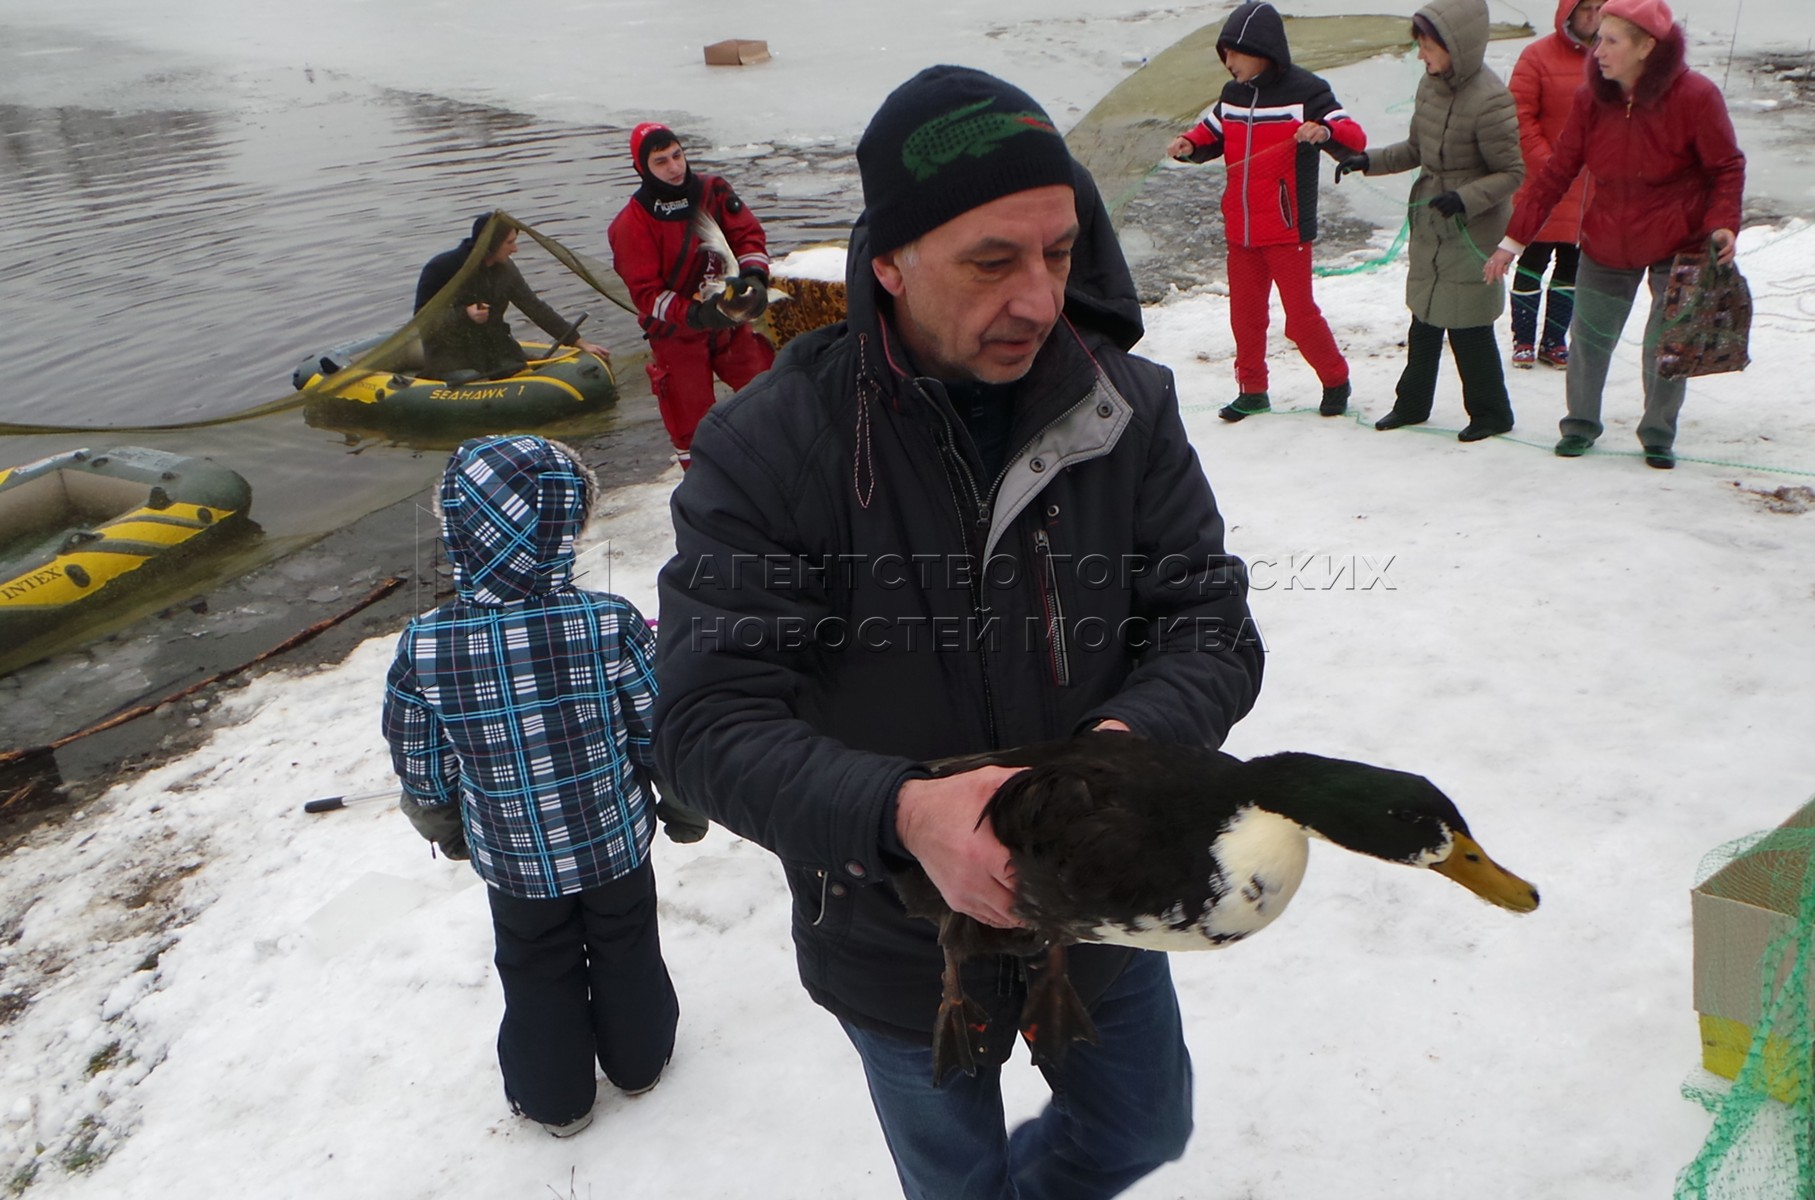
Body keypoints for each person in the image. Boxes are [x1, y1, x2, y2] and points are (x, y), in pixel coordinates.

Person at [653, 66, 1265, 1200]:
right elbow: (701, 721)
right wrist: (905, 814)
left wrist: (1124, 751)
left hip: (1104, 896)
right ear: (888, 261)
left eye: (1060, 254)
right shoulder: (767, 449)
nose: (1038, 299)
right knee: (953, 1181)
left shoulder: (1122, 410)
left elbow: (1210, 624)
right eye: (993, 261)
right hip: (893, 936)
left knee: (1143, 1129)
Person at [382, 434, 703, 1138]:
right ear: (564, 526)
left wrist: (442, 819)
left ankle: (555, 1099)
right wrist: (681, 802)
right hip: (613, 840)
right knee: (627, 946)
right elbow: (658, 726)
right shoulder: (606, 622)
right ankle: (639, 1061)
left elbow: (418, 752)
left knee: (534, 966)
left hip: (514, 856)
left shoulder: (426, 645)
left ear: (458, 528)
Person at [1485, 0, 1744, 470]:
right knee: (1589, 337)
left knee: (1665, 343)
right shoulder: (1592, 98)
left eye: (1611, 41)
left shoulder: (1696, 96)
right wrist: (1513, 242)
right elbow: (1557, 172)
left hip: (1677, 238)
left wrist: (1723, 222)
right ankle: (1580, 425)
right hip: (1608, 235)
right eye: (1598, 37)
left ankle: (1658, 433)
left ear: (1647, 46)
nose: (1596, 50)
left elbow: (1726, 166)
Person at [1166, 1, 1366, 422]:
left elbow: (1353, 135)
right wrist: (1190, 144)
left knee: (1299, 316)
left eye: (1235, 53)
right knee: (1246, 316)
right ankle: (1252, 390)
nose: (1229, 62)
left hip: (1287, 228)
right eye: (1225, 54)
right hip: (1241, 229)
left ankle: (1335, 379)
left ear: (1262, 50)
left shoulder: (1306, 91)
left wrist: (1324, 130)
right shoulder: (1232, 96)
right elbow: (1212, 132)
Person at [1335, 0, 1523, 441]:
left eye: (1427, 47)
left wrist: (1464, 198)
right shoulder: (1431, 84)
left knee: (1468, 326)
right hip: (1432, 222)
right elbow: (1416, 149)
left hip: (1470, 226)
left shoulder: (1491, 99)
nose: (1421, 55)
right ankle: (1413, 405)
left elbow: (1513, 172)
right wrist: (1366, 160)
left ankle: (1492, 414)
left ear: (1456, 46)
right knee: (1424, 320)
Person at [608, 124, 776, 468]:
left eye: (677, 155)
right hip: (676, 335)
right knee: (691, 428)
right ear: (642, 168)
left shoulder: (712, 190)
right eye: (661, 162)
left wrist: (755, 277)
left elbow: (747, 236)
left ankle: (779, 465)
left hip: (728, 323)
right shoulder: (631, 224)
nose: (674, 168)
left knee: (768, 393)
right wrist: (695, 315)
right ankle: (708, 493)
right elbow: (647, 295)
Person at [1505, 0, 1605, 369]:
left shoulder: (1612, 56)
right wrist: (1551, 166)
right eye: (1586, 8)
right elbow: (1520, 116)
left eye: (1600, 7)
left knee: (1573, 263)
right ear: (1568, 12)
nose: (1593, 16)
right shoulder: (1536, 56)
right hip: (1544, 182)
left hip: (1591, 187)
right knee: (1532, 258)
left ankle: (1554, 340)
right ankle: (1524, 339)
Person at [414, 214, 609, 380]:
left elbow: (534, 307)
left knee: (528, 372)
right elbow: (423, 322)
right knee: (472, 380)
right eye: (509, 243)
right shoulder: (441, 268)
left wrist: (578, 341)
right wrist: (465, 314)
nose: (514, 249)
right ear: (490, 244)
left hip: (494, 350)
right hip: (451, 355)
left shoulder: (506, 269)